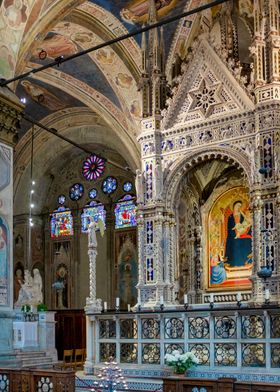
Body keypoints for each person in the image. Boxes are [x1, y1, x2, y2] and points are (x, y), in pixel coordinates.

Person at [225, 201, 252, 267]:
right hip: (233, 235)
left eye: (240, 206)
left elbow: (246, 224)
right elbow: (229, 228)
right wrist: (235, 233)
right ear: (233, 206)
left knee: (247, 240)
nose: (238, 207)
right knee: (234, 242)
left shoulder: (242, 215)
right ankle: (234, 263)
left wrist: (243, 232)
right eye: (237, 206)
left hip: (242, 233)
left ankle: (245, 261)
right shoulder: (230, 217)